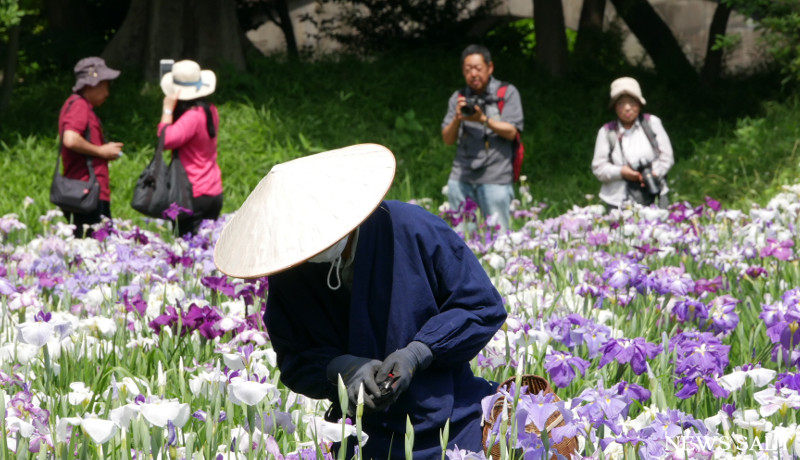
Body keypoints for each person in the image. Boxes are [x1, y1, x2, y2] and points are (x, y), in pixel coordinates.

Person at [213, 144, 507, 459]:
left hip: (452, 418)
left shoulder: (409, 227)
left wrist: (417, 354)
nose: (308, 249)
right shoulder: (291, 269)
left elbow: (480, 306)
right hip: (359, 433)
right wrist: (345, 369)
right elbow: (295, 357)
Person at [441, 44, 524, 233]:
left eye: (478, 68)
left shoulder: (507, 93)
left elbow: (512, 132)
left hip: (496, 177)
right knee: (461, 238)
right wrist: (457, 118)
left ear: (490, 67)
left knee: (499, 235)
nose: (473, 74)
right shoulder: (458, 97)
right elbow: (447, 139)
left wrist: (482, 120)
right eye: (468, 69)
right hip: (461, 177)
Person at [58, 57, 124, 238]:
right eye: (105, 85)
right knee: (99, 249)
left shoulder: (78, 105)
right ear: (91, 84)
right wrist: (102, 151)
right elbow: (70, 139)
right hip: (88, 191)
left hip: (86, 190)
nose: (107, 92)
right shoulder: (79, 105)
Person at [158, 59, 223, 236]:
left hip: (190, 193)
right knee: (208, 247)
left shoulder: (192, 117)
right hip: (213, 190)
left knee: (187, 250)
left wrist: (167, 110)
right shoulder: (210, 110)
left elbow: (165, 141)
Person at [591, 77, 674, 210]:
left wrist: (652, 174)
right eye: (621, 103)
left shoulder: (652, 123)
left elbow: (667, 157)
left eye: (632, 102)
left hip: (654, 193)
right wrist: (622, 172)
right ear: (614, 107)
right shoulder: (607, 131)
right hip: (618, 199)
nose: (627, 108)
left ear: (640, 104)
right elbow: (598, 168)